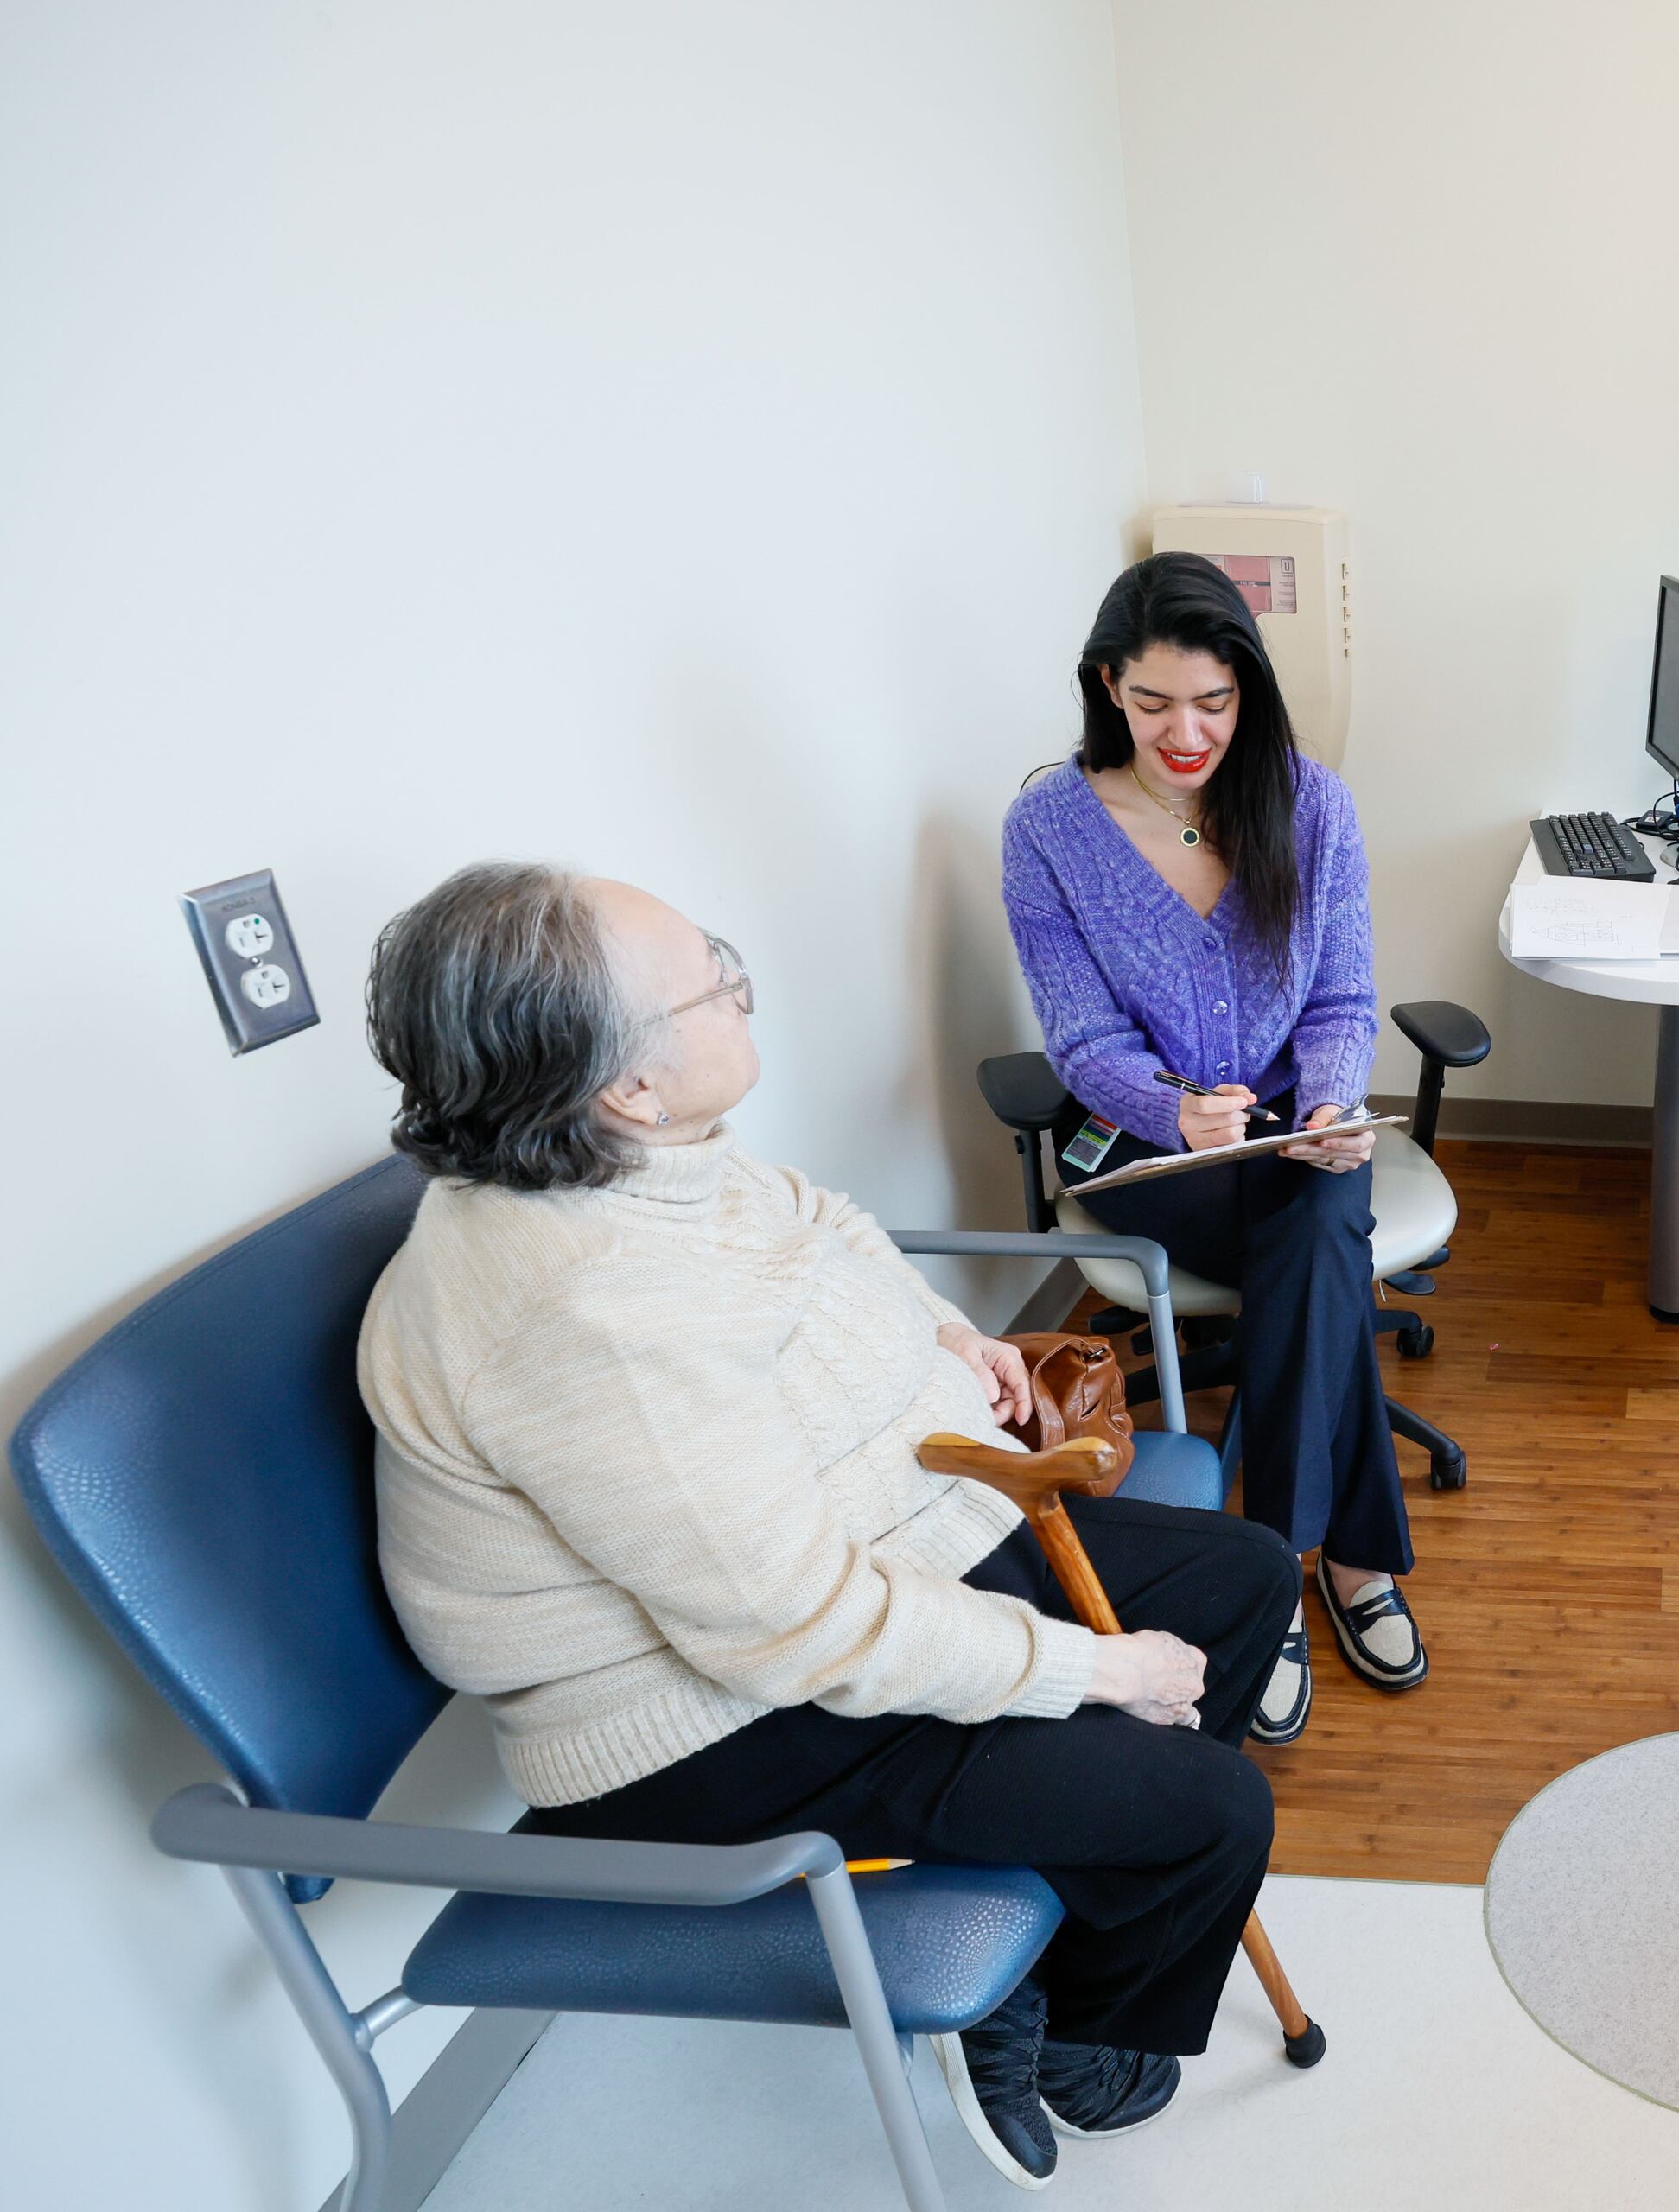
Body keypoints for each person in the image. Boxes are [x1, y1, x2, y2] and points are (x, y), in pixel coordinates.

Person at [356, 862, 1300, 2192]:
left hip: (863, 1555)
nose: (744, 986)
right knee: (1208, 1806)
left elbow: (819, 1224)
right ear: (625, 1083)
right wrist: (1098, 1674)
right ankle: (1070, 2032)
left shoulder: (646, 1156)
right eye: (713, 978)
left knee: (1246, 1577)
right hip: (708, 1726)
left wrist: (952, 1333)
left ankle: (1073, 1873)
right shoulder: (585, 1318)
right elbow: (797, 1633)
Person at [1002, 552, 1420, 1748]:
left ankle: (1267, 1572)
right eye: (1153, 704)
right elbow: (1077, 1036)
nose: (1186, 732)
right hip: (1146, 1147)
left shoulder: (1312, 802)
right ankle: (1347, 1563)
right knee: (1325, 1243)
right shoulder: (1050, 827)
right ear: (1105, 687)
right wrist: (1170, 1105)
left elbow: (1343, 1003)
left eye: (1215, 701)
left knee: (1318, 1214)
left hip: (1294, 1134)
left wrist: (1333, 1107)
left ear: (1248, 686)